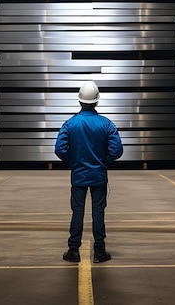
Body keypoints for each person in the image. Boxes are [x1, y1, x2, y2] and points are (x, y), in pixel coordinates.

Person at [54, 80, 123, 263]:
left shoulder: (70, 124)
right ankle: (99, 251)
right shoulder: (107, 124)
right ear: (97, 101)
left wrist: (74, 161)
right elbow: (117, 151)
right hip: (99, 176)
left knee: (77, 211)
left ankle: (73, 250)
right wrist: (102, 162)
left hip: (79, 176)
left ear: (79, 101)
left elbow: (60, 149)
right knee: (98, 212)